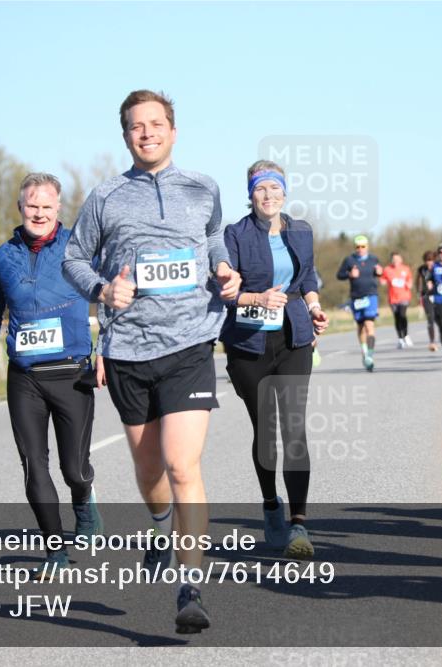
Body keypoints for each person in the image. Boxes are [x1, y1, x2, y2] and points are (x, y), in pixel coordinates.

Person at [63, 89, 242, 632]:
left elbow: (213, 237)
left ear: (173, 130)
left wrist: (226, 266)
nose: (147, 133)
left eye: (156, 123)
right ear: (126, 136)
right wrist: (101, 290)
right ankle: (161, 527)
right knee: (149, 470)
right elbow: (73, 257)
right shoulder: (105, 197)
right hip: (127, 350)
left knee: (183, 464)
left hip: (190, 342)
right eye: (137, 126)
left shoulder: (203, 187)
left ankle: (191, 588)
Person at [0, 172, 102, 575]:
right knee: (33, 464)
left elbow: (109, 296)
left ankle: (84, 501)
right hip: (25, 378)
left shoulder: (77, 250)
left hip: (73, 374)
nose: (39, 213)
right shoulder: (2, 257)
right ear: (20, 208)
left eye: (47, 206)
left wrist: (108, 351)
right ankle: (55, 550)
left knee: (73, 469)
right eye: (33, 206)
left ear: (58, 209)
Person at [221, 160, 329, 560]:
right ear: (250, 195)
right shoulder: (235, 234)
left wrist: (314, 307)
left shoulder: (301, 230)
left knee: (295, 429)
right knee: (266, 431)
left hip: (293, 339)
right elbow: (225, 291)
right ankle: (271, 504)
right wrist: (257, 298)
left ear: (285, 192)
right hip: (249, 344)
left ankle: (299, 524)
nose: (268, 196)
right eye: (260, 189)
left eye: (274, 188)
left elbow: (308, 279)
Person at [336, 235, 383, 371]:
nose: (360, 249)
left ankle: (370, 355)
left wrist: (380, 273)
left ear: (367, 246)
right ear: (355, 247)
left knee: (369, 325)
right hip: (356, 297)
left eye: (363, 246)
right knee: (361, 327)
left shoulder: (374, 259)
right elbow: (339, 275)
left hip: (371, 296)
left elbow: (379, 272)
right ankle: (364, 351)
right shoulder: (349, 260)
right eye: (358, 247)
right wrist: (349, 274)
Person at [381, 251, 414, 348]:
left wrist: (409, 284)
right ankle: (400, 339)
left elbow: (410, 280)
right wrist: (382, 281)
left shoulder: (406, 269)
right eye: (393, 259)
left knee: (402, 315)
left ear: (401, 259)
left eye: (397, 259)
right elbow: (382, 279)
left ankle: (406, 335)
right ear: (391, 260)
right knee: (397, 318)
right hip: (393, 298)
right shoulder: (387, 269)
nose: (395, 261)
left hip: (404, 296)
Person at [417, 250, 438, 351]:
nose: (429, 262)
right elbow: (419, 282)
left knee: (440, 319)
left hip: (438, 295)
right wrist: (419, 294)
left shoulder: (438, 267)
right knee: (430, 319)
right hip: (426, 296)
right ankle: (432, 342)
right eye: (427, 260)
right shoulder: (421, 269)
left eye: (431, 260)